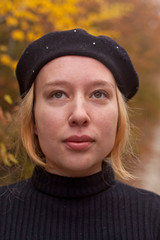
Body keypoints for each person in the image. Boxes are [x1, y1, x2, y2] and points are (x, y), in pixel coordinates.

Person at [0, 28, 160, 240]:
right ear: (33, 118)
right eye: (58, 94)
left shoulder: (154, 219)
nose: (79, 115)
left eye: (98, 94)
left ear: (118, 116)